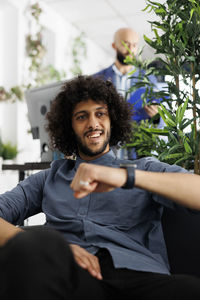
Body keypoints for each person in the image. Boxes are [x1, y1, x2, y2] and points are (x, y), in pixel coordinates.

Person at [1, 75, 200, 300]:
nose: (93, 123)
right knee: (42, 243)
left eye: (100, 114)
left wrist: (127, 177)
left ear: (112, 120)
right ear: (69, 127)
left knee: (191, 290)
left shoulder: (142, 168)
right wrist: (45, 249)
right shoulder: (48, 179)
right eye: (81, 117)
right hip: (75, 278)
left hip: (140, 276)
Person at [93, 27, 164, 127]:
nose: (130, 50)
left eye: (134, 45)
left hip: (139, 137)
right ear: (114, 46)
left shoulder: (149, 78)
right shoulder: (97, 79)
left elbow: (162, 118)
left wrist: (157, 117)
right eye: (125, 44)